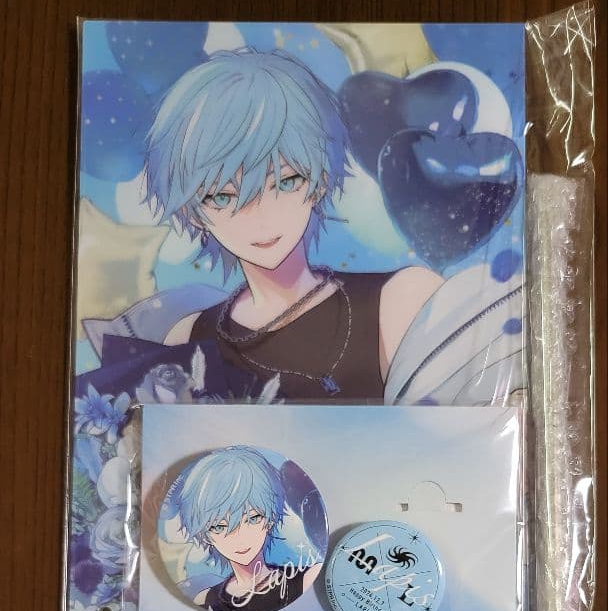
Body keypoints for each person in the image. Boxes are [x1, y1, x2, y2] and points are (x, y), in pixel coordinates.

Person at [144, 48, 443, 400]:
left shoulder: (399, 300)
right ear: (193, 212)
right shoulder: (188, 340)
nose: (261, 216)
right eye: (223, 198)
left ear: (319, 181)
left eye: (286, 182)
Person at [174, 445, 322, 611]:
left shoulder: (306, 577)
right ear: (204, 535)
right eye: (219, 527)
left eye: (253, 518)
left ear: (271, 518)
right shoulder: (205, 600)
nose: (240, 538)